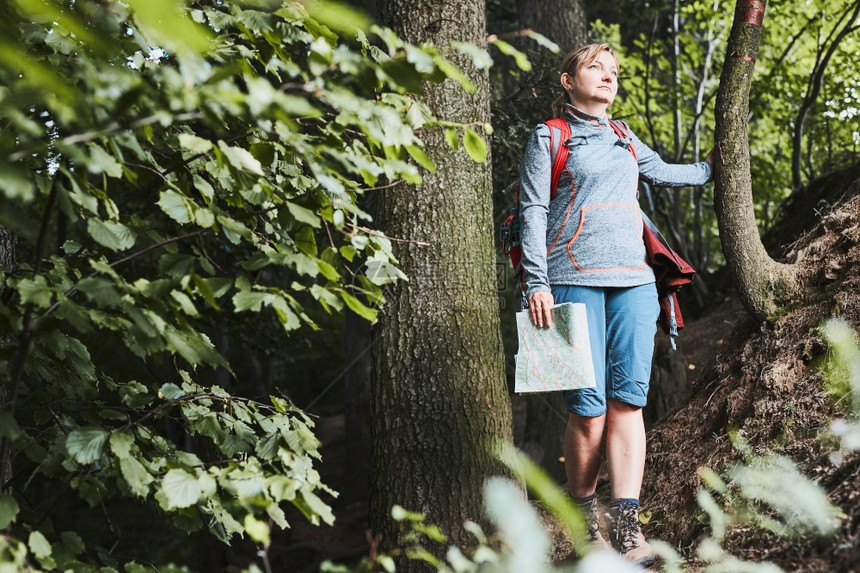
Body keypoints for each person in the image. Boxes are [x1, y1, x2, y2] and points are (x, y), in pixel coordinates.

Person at [518, 43, 713, 566]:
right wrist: (535, 282)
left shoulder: (624, 135)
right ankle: (584, 518)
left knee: (628, 401)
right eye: (594, 67)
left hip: (634, 282)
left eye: (613, 70)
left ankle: (627, 526)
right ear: (567, 81)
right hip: (569, 279)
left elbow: (669, 172)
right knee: (589, 409)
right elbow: (533, 209)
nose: (607, 76)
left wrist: (715, 165)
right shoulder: (550, 137)